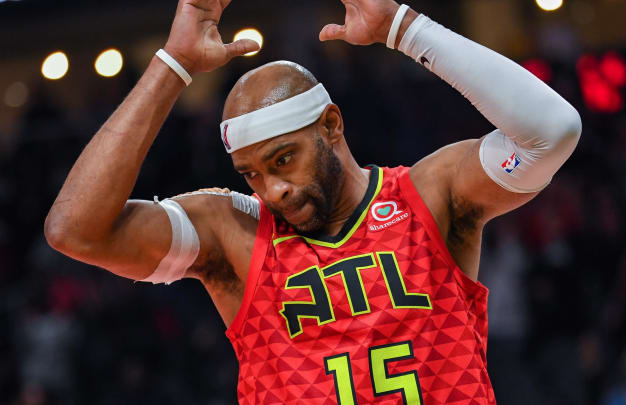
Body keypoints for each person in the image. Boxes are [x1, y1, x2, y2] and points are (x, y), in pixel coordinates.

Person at [44, 0, 582, 403]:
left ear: (331, 126)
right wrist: (173, 64)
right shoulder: (233, 234)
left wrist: (402, 26)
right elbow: (74, 230)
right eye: (250, 173)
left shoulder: (429, 196)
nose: (271, 189)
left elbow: (551, 131)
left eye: (283, 160)